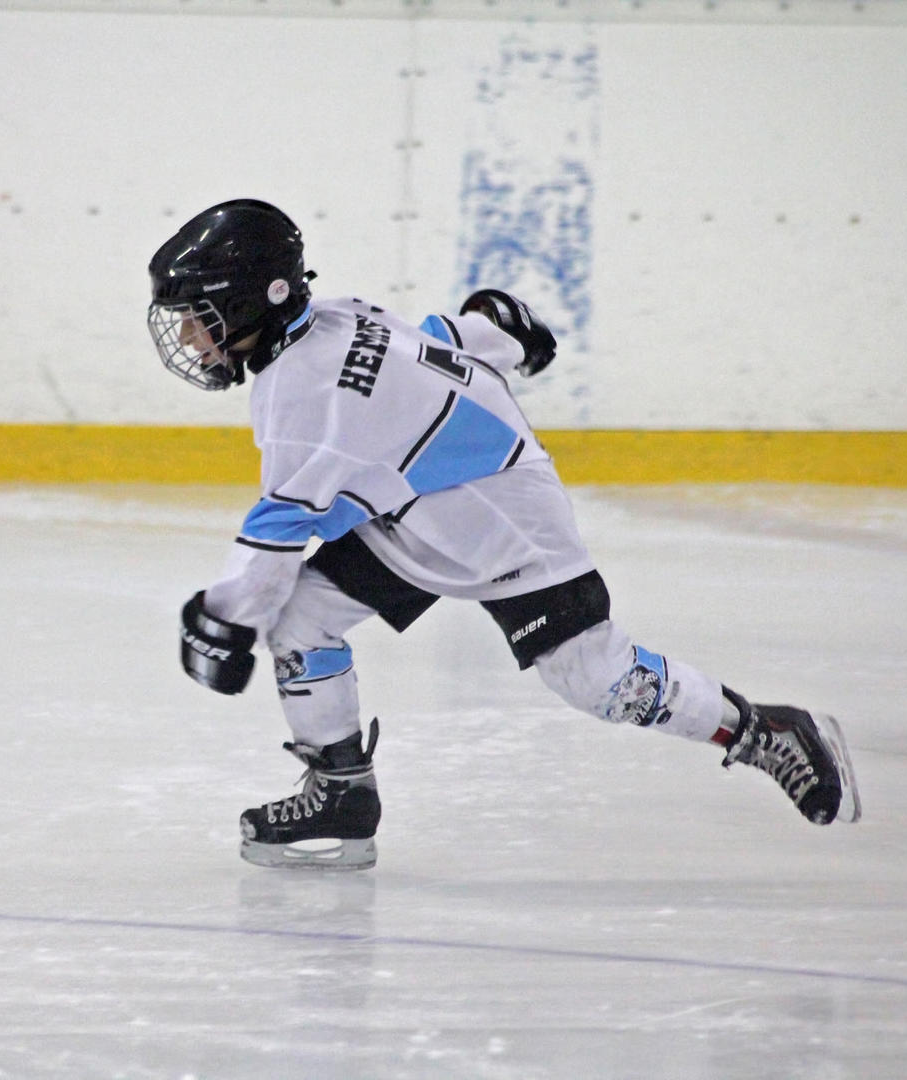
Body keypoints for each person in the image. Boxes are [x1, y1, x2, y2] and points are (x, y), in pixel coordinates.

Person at [148, 199, 862, 871]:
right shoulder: (334, 317)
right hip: (417, 508)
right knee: (302, 620)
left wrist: (222, 621)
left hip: (505, 521)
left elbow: (277, 535)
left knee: (598, 680)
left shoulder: (303, 398)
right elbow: (430, 344)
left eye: (198, 317)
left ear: (255, 301)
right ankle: (341, 794)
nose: (186, 337)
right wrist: (502, 333)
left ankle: (766, 731)